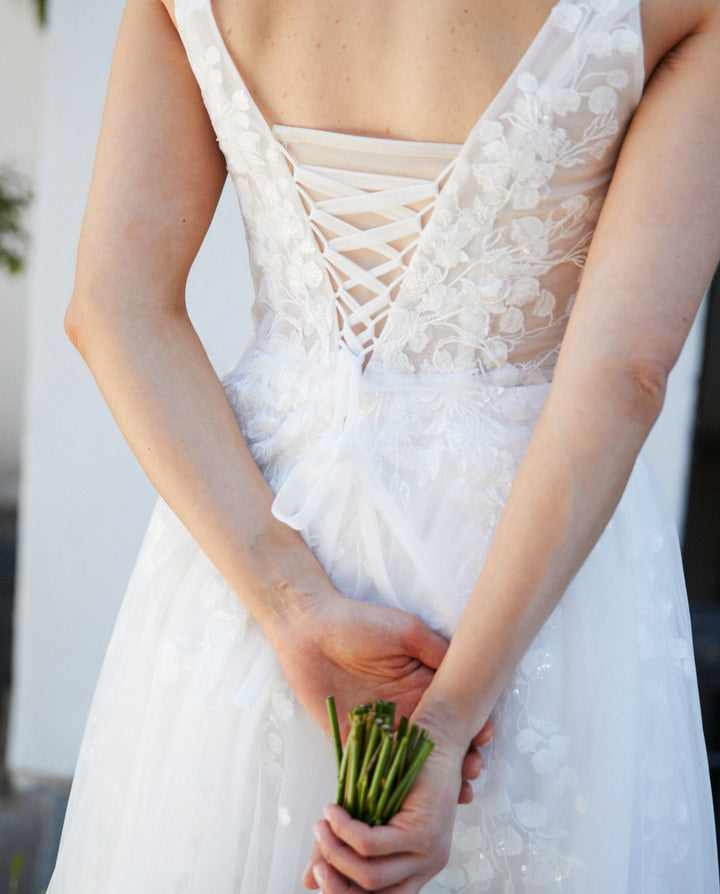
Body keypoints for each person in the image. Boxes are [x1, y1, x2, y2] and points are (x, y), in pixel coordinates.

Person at [47, 0, 720, 891]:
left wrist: (290, 607)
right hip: (521, 582)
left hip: (254, 541)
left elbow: (114, 307)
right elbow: (623, 375)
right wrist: (447, 722)